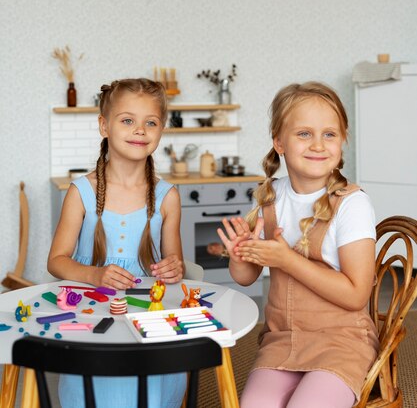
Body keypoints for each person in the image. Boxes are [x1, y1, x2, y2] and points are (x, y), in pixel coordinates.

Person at [217, 81, 379, 408]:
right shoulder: (272, 196)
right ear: (279, 142)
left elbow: (357, 294)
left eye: (329, 134)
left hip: (341, 343)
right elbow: (246, 277)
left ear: (342, 140)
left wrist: (287, 260)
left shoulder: (352, 204)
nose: (318, 144)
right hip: (282, 339)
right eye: (304, 134)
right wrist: (240, 254)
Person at [48, 78, 186, 408]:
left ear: (161, 130)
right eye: (127, 120)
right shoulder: (81, 192)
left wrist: (173, 268)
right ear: (104, 126)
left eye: (150, 122)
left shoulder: (168, 196)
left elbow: (175, 265)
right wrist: (95, 275)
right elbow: (56, 261)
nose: (139, 130)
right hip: (90, 313)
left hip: (146, 319)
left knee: (152, 392)